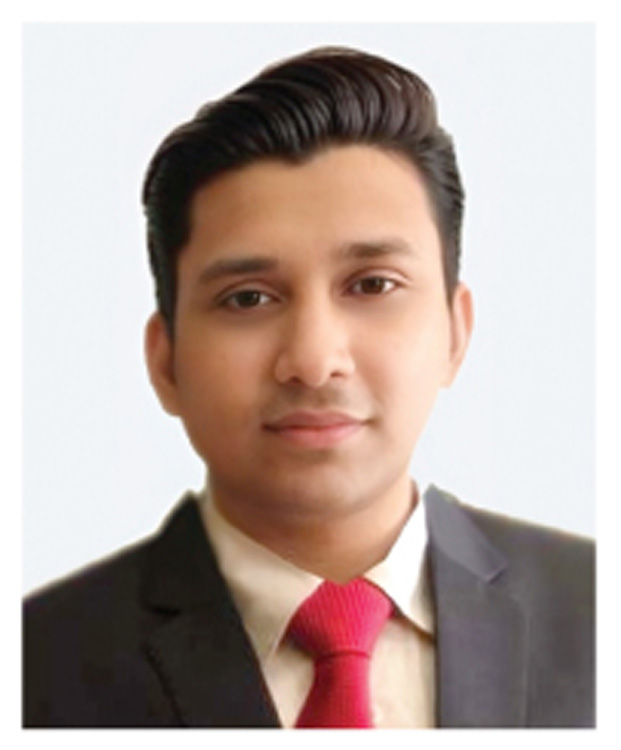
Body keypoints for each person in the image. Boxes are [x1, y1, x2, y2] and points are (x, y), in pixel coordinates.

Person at [23, 46, 594, 728]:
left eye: (372, 285)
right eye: (247, 298)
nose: (314, 361)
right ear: (166, 361)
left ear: (455, 332)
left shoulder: (597, 611)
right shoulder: (33, 664)